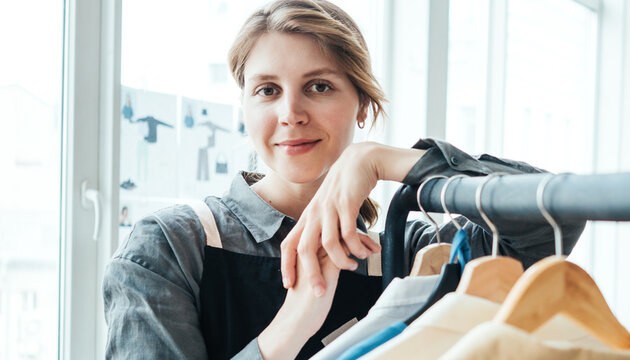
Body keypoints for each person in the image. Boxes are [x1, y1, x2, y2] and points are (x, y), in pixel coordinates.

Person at [102, 1, 586, 359]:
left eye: (319, 86)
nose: (291, 113)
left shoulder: (409, 248)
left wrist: (383, 161)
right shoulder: (170, 247)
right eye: (267, 90)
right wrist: (291, 327)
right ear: (245, 108)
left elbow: (551, 217)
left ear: (363, 106)